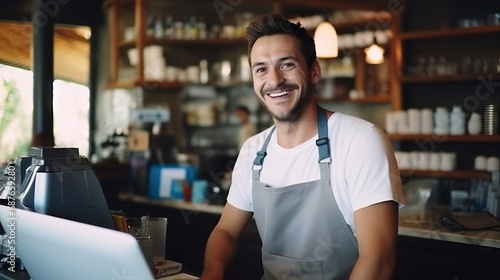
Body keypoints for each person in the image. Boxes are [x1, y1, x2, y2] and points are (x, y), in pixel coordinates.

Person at [200, 13, 404, 280]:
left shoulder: (360, 140)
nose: (274, 80)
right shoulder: (254, 151)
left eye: (286, 65)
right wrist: (212, 271)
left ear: (314, 71)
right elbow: (225, 231)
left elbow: (378, 259)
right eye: (261, 68)